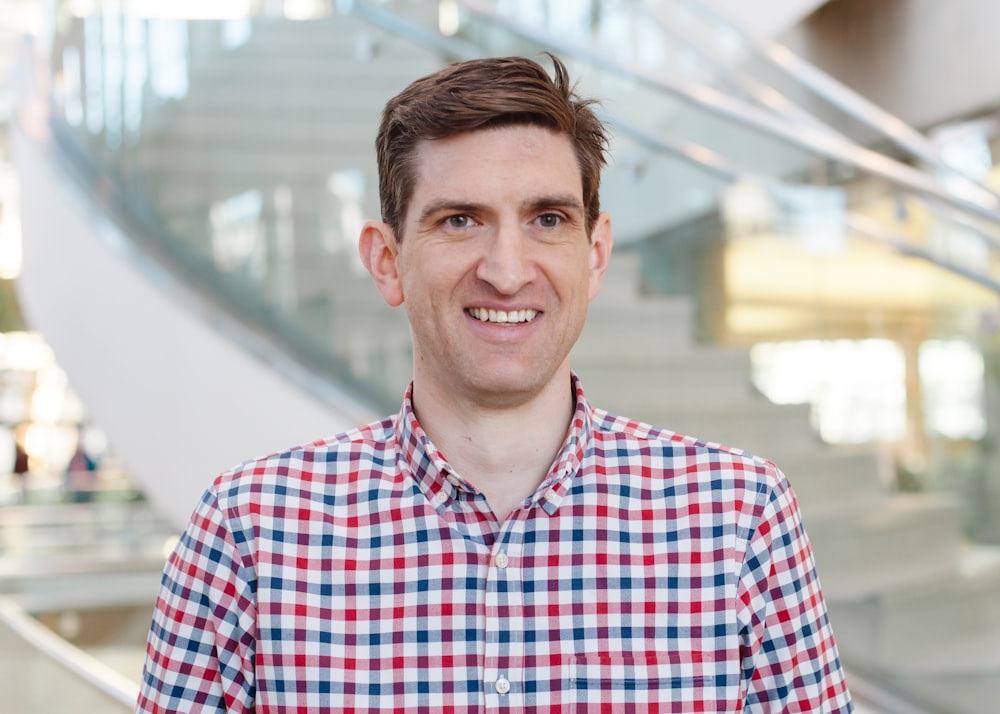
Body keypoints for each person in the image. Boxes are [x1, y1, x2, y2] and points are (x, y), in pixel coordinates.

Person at [136, 54, 853, 712]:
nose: (507, 270)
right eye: (459, 220)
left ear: (595, 254)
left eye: (547, 219)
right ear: (386, 261)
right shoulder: (249, 534)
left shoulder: (739, 518)